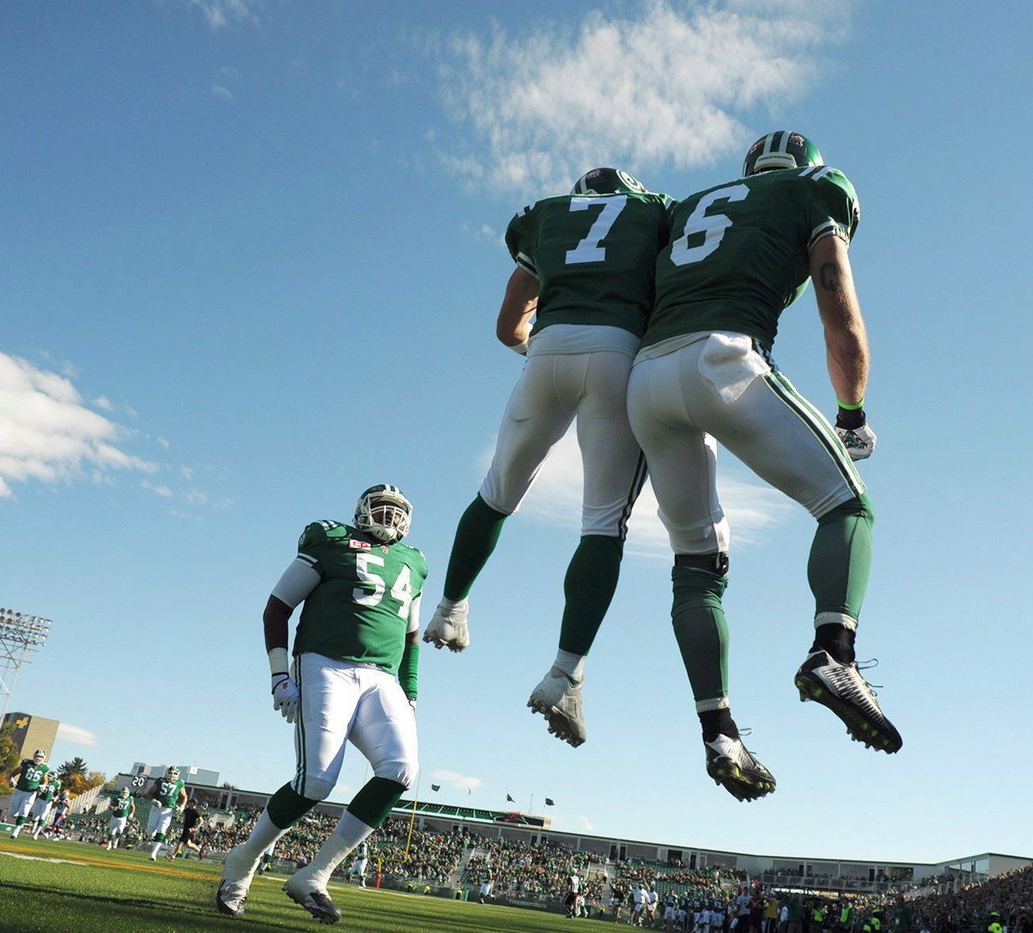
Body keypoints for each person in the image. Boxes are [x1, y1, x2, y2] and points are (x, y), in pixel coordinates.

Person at [625, 130, 899, 801]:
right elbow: (839, 306)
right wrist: (853, 411)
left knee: (698, 566)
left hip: (645, 379)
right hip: (723, 354)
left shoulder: (686, 205)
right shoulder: (815, 188)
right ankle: (833, 652)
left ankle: (719, 731)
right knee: (848, 504)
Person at [425, 168, 672, 749]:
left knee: (497, 491)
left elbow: (508, 320)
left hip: (548, 351)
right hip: (617, 351)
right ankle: (565, 673)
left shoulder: (548, 217)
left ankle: (449, 608)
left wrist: (539, 351)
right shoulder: (655, 211)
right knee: (603, 520)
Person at [215, 484, 428, 923]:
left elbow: (411, 637)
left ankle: (315, 874)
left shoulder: (415, 562)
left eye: (396, 511)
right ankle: (244, 860)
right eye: (381, 508)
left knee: (401, 770)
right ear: (362, 510)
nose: (389, 517)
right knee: (315, 782)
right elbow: (277, 608)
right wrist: (278, 674)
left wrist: (410, 690)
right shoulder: (329, 540)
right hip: (324, 663)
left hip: (382, 677)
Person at [146, 766, 188, 860]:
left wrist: (182, 806)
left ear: (178, 775)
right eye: (170, 773)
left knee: (162, 831)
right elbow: (149, 794)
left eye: (174, 773)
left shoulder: (180, 783)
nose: (172, 775)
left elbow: (184, 797)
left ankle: (153, 854)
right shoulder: (160, 780)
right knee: (150, 830)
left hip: (168, 811)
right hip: (156, 808)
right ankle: (152, 836)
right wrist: (154, 801)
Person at [6, 748, 50, 838]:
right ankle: (16, 814)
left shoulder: (45, 768)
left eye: (41, 757)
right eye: (37, 756)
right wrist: (11, 780)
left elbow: (45, 781)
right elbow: (12, 774)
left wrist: (43, 786)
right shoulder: (26, 763)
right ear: (33, 756)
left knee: (25, 811)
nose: (38, 758)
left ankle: (16, 831)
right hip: (19, 790)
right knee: (11, 813)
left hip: (30, 793)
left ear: (44, 758)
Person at [28, 770, 62, 839]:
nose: (49, 777)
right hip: (39, 800)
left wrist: (56, 797)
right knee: (34, 816)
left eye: (50, 776)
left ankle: (36, 834)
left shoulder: (57, 783)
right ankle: (37, 828)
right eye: (48, 776)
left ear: (54, 778)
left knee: (42, 817)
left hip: (48, 802)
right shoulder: (43, 780)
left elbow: (57, 792)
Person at [103, 785, 135, 849]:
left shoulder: (130, 798)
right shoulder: (116, 798)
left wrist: (132, 813)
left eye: (125, 793)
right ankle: (109, 844)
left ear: (128, 793)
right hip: (115, 816)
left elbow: (133, 806)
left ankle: (116, 840)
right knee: (112, 831)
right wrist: (112, 808)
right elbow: (110, 807)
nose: (124, 794)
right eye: (123, 792)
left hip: (123, 817)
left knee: (120, 830)